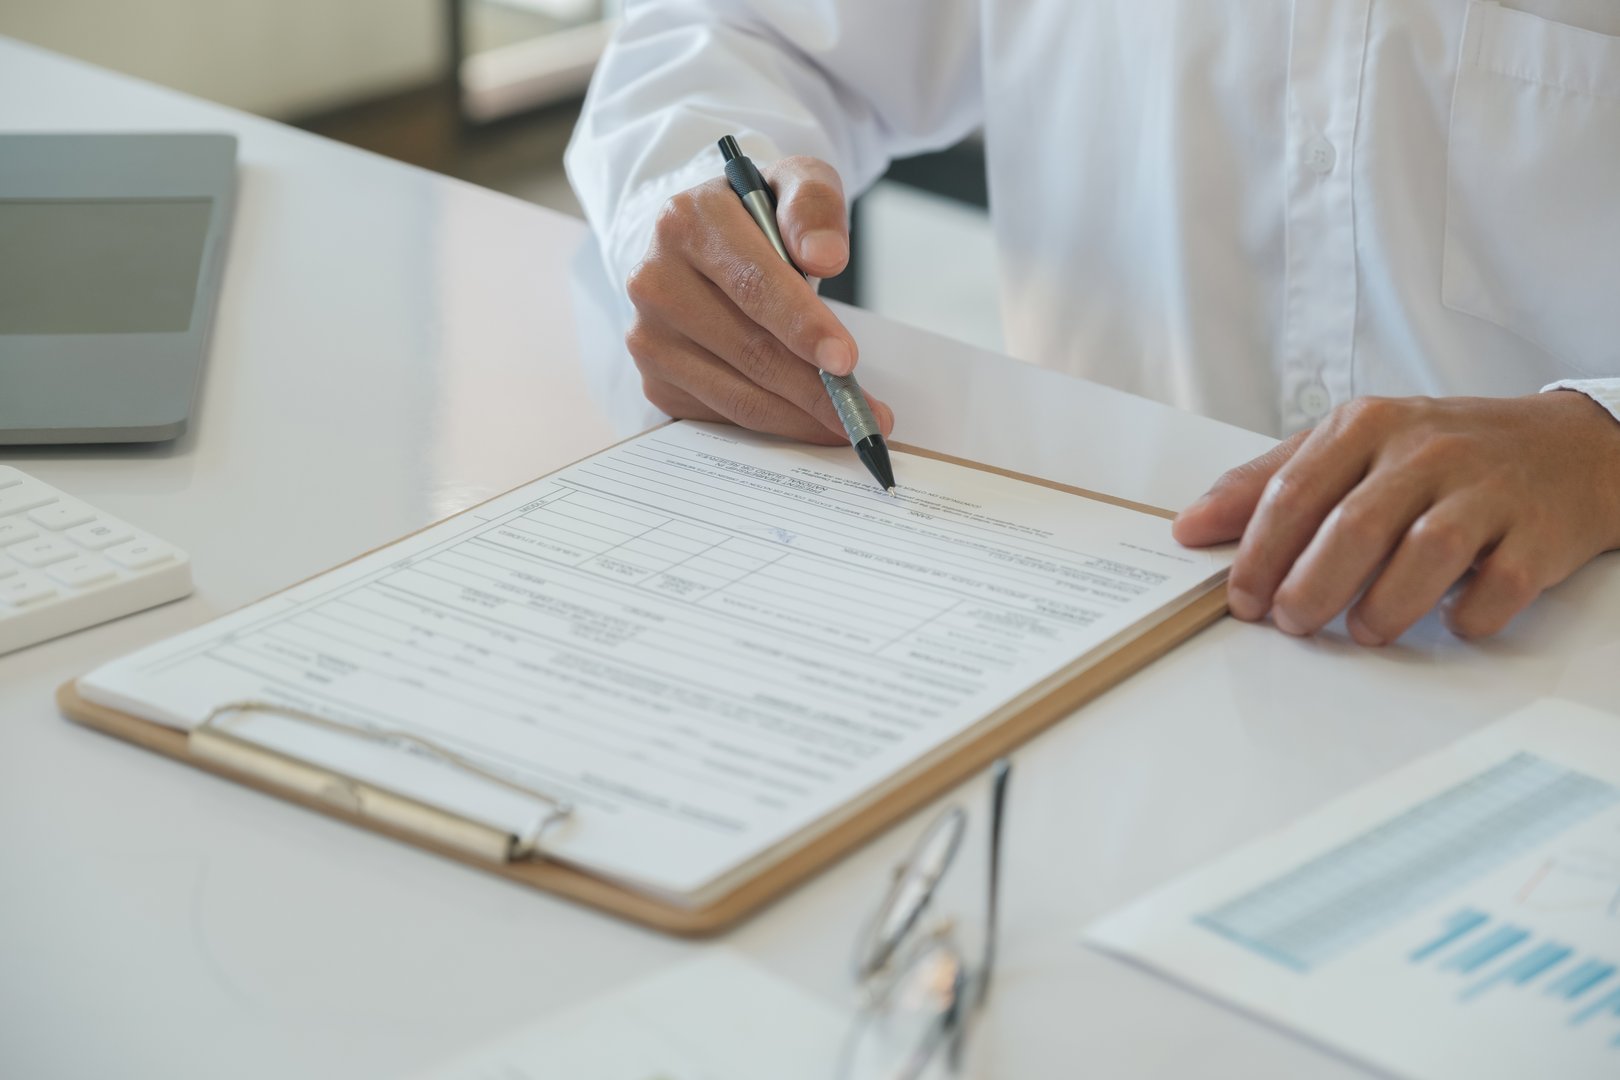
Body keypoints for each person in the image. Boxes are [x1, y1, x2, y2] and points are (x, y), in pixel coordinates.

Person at [564, 1, 1620, 645]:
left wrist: (1601, 446)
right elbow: (743, 26)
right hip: (1105, 602)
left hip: (1549, 645)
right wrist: (698, 195)